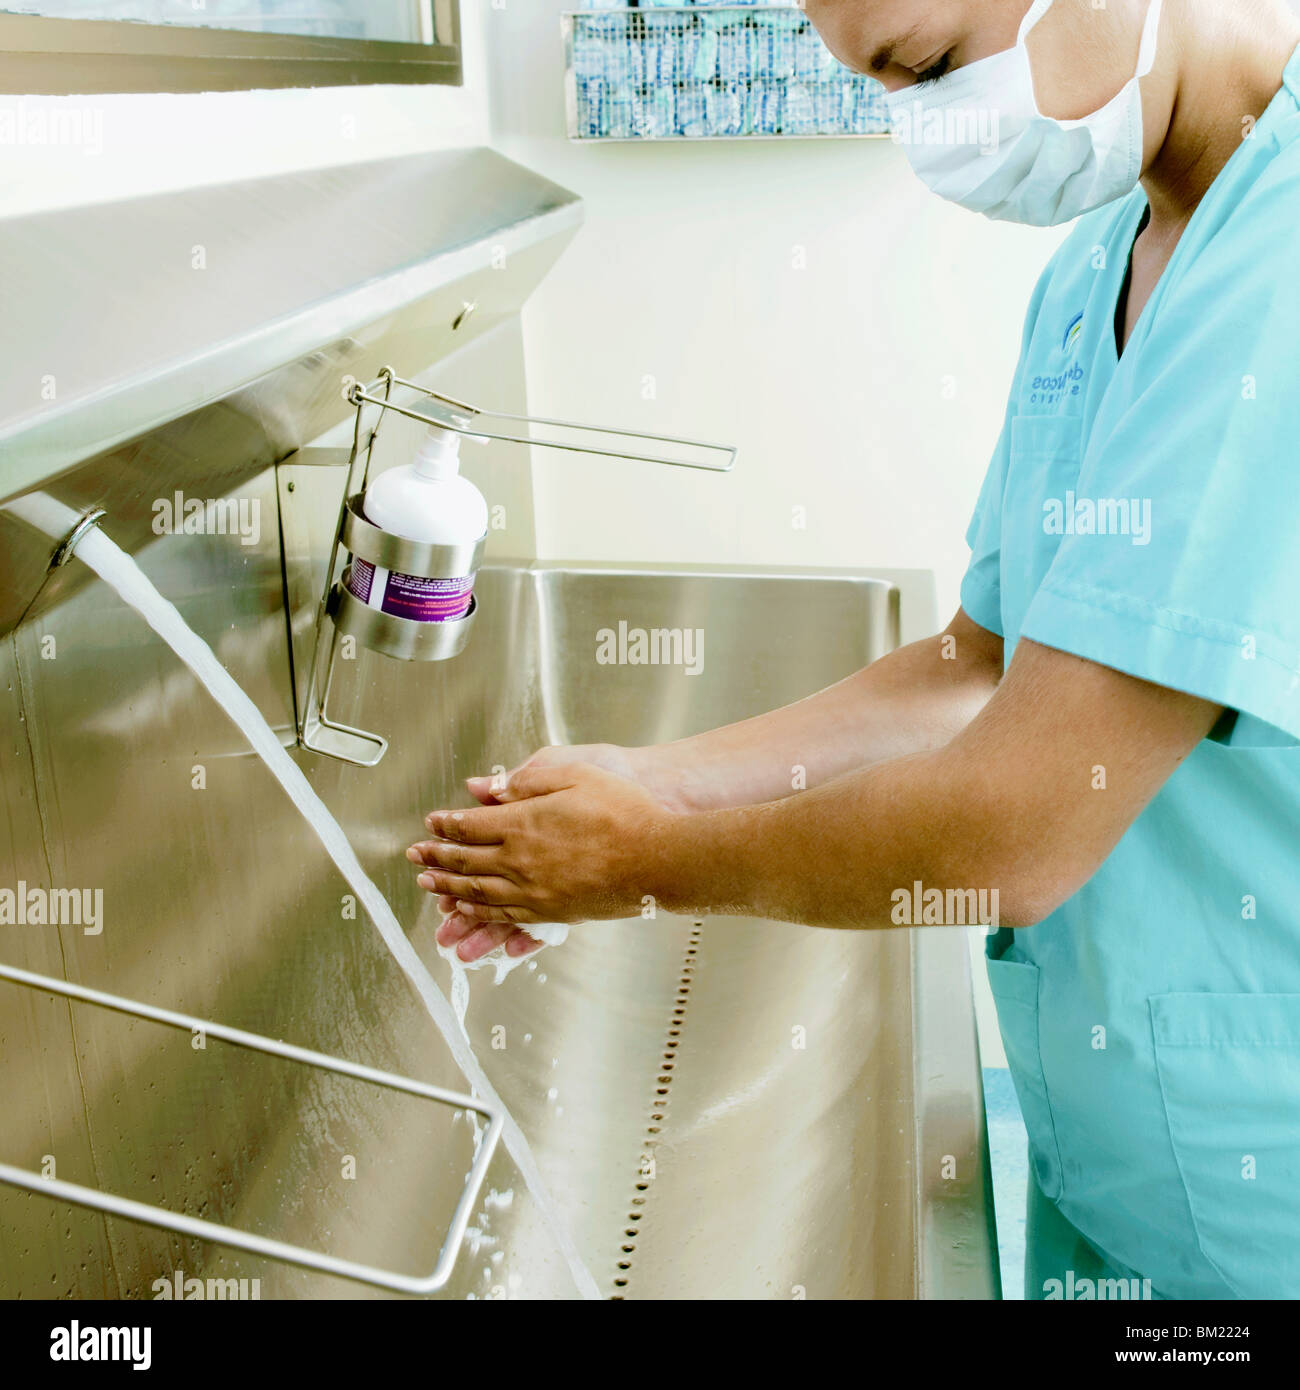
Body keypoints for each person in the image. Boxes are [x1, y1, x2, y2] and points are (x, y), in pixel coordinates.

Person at [407, 0, 1300, 1300]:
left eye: (931, 68)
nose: (926, 131)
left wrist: (638, 863)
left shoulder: (1276, 274)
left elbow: (1018, 828)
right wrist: (654, 777)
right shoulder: (1099, 265)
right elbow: (971, 666)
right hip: (1127, 1184)